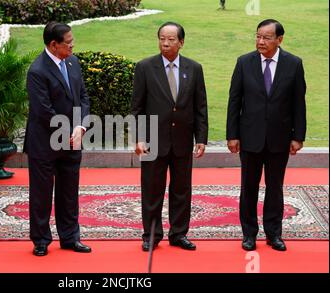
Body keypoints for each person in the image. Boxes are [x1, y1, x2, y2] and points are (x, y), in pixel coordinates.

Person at [226, 19, 306, 251]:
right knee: (248, 187)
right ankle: (249, 234)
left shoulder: (294, 64)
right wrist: (233, 135)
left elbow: (298, 103)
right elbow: (234, 101)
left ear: (279, 40)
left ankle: (274, 234)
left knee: (275, 187)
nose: (260, 41)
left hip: (279, 138)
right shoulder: (244, 62)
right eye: (258, 36)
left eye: (266, 37)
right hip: (250, 137)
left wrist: (297, 136)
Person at [131, 22, 208, 251]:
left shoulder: (194, 68)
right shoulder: (145, 67)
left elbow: (200, 106)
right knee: (152, 190)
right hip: (153, 141)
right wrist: (138, 137)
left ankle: (179, 234)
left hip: (183, 141)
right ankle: (151, 235)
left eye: (171, 39)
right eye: (162, 38)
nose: (165, 43)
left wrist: (201, 138)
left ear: (181, 42)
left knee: (182, 190)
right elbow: (137, 108)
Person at [23, 22, 91, 256]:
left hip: (72, 139)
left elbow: (83, 97)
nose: (73, 45)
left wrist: (80, 127)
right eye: (68, 42)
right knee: (42, 192)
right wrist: (68, 131)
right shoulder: (37, 71)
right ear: (54, 45)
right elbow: (44, 111)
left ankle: (70, 237)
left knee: (69, 191)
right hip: (45, 142)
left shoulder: (73, 62)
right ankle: (41, 239)